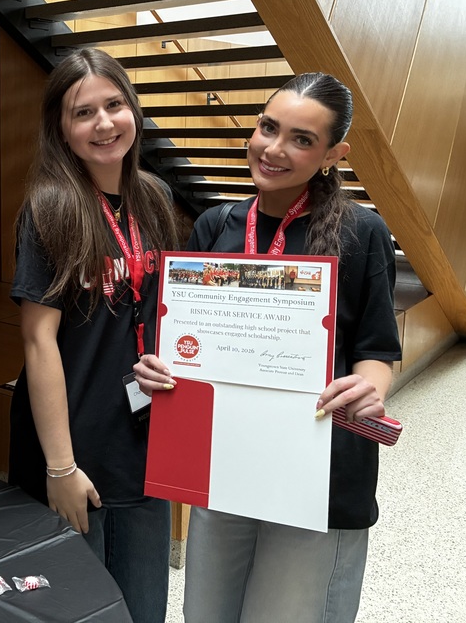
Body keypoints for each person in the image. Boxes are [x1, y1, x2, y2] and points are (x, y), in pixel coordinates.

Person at [134, 73, 401, 623]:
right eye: (268, 128)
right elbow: (185, 340)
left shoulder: (363, 232)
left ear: (334, 154)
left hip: (315, 463)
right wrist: (158, 368)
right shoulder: (216, 225)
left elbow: (378, 349)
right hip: (227, 460)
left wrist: (369, 385)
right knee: (207, 610)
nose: (274, 149)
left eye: (302, 139)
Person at [7, 48, 178, 623]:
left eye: (114, 104)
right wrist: (60, 467)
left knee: (145, 603)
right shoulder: (51, 208)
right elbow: (38, 343)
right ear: (61, 127)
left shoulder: (154, 197)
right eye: (84, 113)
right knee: (81, 607)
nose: (104, 124)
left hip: (143, 438)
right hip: (75, 447)